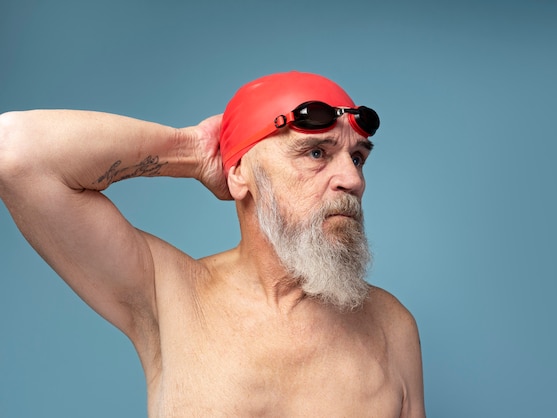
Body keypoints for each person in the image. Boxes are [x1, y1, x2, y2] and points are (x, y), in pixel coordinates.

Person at [0, 71, 425, 417]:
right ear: (240, 174)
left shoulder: (392, 326)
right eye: (316, 153)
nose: (353, 180)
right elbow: (13, 152)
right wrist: (190, 152)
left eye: (357, 157)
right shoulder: (171, 292)